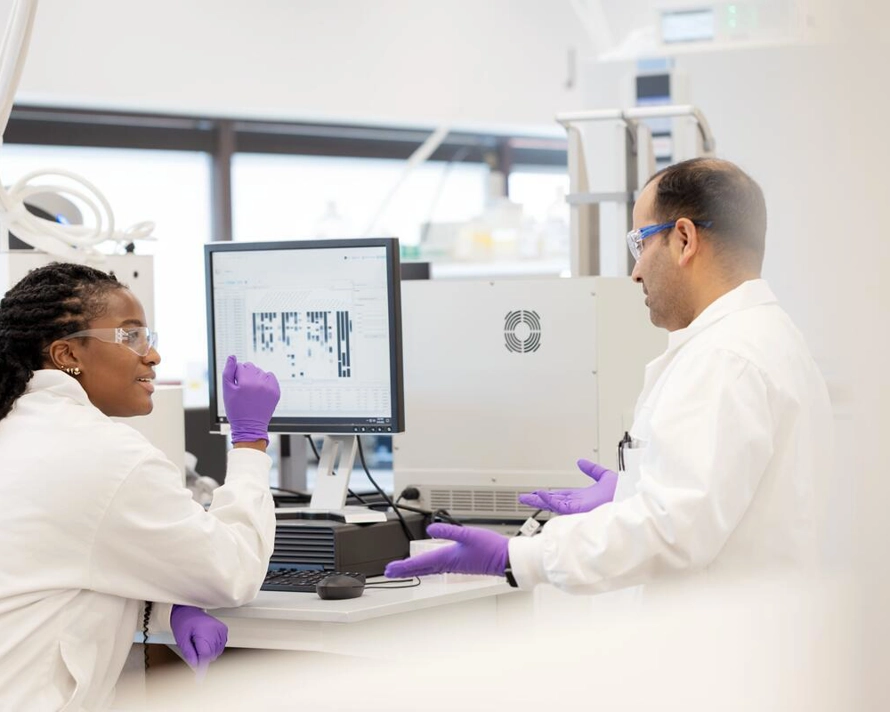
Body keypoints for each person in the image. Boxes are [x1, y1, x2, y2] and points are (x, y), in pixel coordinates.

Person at [386, 157, 833, 594]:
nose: (635, 272)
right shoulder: (770, 337)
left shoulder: (724, 358)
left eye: (640, 243)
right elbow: (720, 500)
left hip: (729, 648)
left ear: (683, 239)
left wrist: (519, 557)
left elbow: (673, 532)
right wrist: (633, 488)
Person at [0, 262, 281, 709]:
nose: (151, 356)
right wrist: (250, 441)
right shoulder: (104, 454)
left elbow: (53, 566)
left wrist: (167, 603)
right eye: (130, 336)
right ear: (67, 355)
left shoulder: (19, 427)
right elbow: (235, 571)